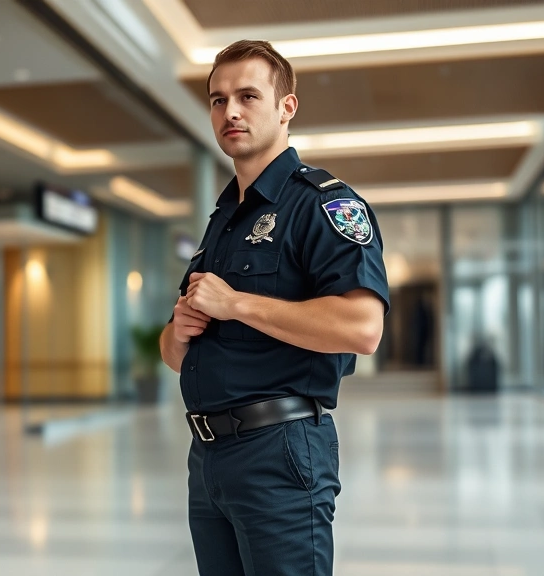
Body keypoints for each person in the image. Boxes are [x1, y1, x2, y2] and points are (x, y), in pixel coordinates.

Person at [159, 40, 390, 575]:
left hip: (280, 453)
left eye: (247, 96)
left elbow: (363, 328)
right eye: (217, 100)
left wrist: (237, 303)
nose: (230, 111)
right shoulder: (223, 220)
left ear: (287, 107)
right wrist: (180, 329)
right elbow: (174, 353)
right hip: (209, 458)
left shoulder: (323, 205)